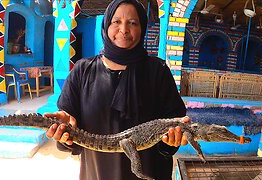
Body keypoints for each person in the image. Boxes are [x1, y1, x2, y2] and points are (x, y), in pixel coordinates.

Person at [45, 0, 189, 179]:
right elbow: (70, 140)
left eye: (133, 23)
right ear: (106, 26)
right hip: (97, 173)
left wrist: (173, 139)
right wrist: (65, 132)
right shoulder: (82, 71)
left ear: (142, 28)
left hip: (151, 173)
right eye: (116, 22)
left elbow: (173, 131)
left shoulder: (158, 72)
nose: (124, 30)